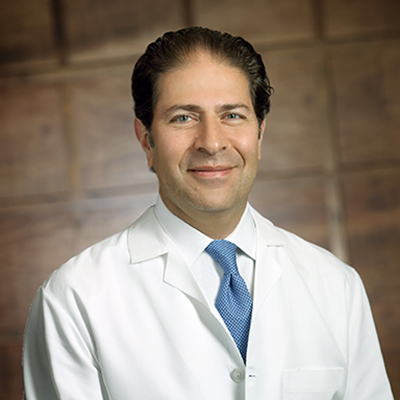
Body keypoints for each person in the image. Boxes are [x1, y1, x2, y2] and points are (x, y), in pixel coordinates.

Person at [23, 27, 393, 399]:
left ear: (260, 135)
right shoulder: (74, 299)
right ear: (146, 140)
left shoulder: (336, 285)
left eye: (232, 115)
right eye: (183, 118)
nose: (212, 143)